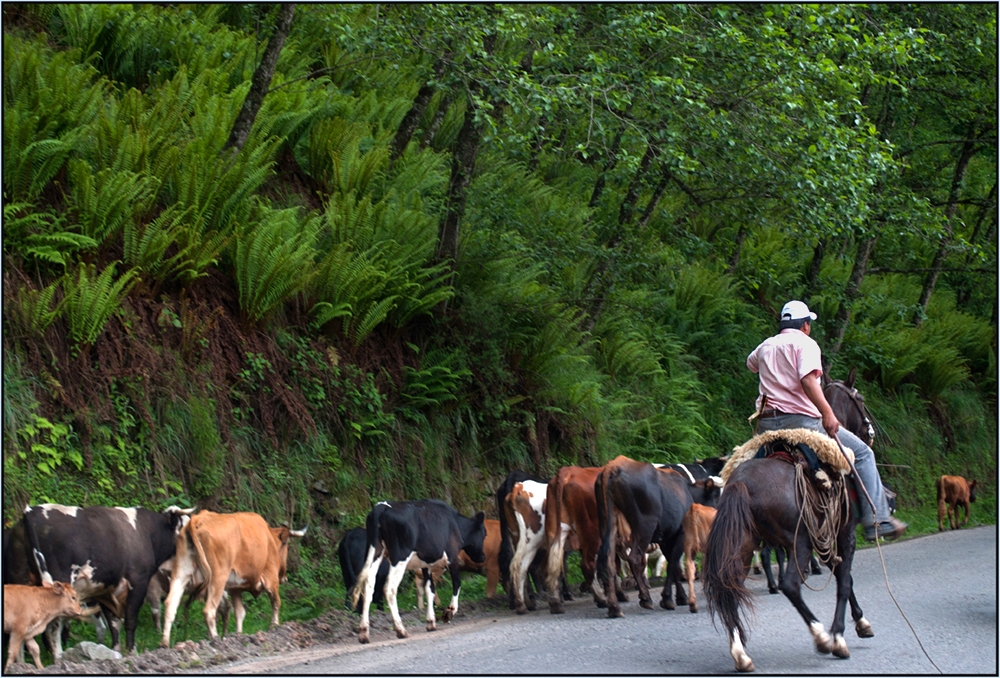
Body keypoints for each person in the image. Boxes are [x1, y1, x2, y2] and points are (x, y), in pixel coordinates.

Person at [746, 300, 907, 542]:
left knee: (736, 465)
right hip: (803, 425)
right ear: (806, 325)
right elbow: (809, 382)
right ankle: (878, 519)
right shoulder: (807, 344)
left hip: (766, 427)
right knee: (863, 454)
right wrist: (828, 414)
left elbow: (751, 365)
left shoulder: (765, 346)